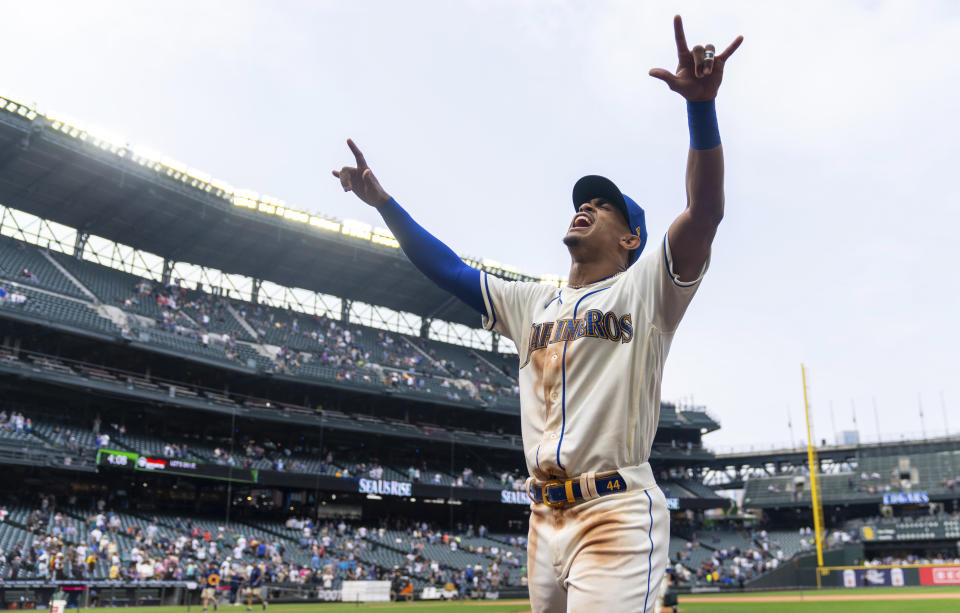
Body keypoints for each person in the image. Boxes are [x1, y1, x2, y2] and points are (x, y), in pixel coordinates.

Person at [334, 14, 741, 613]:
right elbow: (448, 270)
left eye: (603, 207)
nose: (586, 208)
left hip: (615, 510)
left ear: (631, 239)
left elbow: (703, 212)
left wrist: (700, 110)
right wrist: (384, 203)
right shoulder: (533, 301)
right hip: (542, 514)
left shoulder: (648, 289)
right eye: (582, 202)